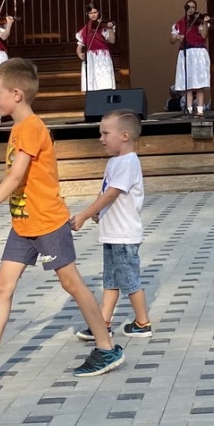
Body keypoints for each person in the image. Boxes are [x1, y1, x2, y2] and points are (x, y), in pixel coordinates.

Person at [0, 58, 125, 385]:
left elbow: (16, 177)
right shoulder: (18, 128)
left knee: (71, 284)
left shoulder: (31, 127)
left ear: (17, 94)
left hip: (47, 223)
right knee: (3, 286)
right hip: (23, 224)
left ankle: (106, 347)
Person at [70, 108, 154, 342]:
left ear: (125, 136)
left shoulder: (128, 162)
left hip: (124, 235)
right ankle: (103, 323)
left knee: (129, 280)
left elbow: (113, 193)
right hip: (111, 234)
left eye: (106, 133)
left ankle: (142, 322)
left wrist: (85, 214)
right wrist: (98, 212)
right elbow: (104, 191)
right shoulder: (114, 162)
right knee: (111, 280)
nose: (101, 139)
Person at [171, 0, 212, 117]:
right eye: (189, 7)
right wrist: (177, 37)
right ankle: (189, 110)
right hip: (185, 53)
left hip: (198, 53)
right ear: (185, 8)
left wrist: (205, 23)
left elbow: (204, 36)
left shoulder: (199, 22)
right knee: (187, 83)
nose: (191, 9)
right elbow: (171, 40)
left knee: (199, 83)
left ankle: (200, 110)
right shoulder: (179, 23)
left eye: (193, 7)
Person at [76, 3, 116, 93]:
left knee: (104, 83)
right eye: (91, 13)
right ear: (87, 14)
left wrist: (110, 29)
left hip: (102, 57)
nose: (93, 15)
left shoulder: (103, 26)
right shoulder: (84, 30)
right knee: (91, 85)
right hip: (90, 58)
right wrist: (79, 54)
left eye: (95, 12)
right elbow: (79, 46)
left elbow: (112, 41)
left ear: (98, 12)